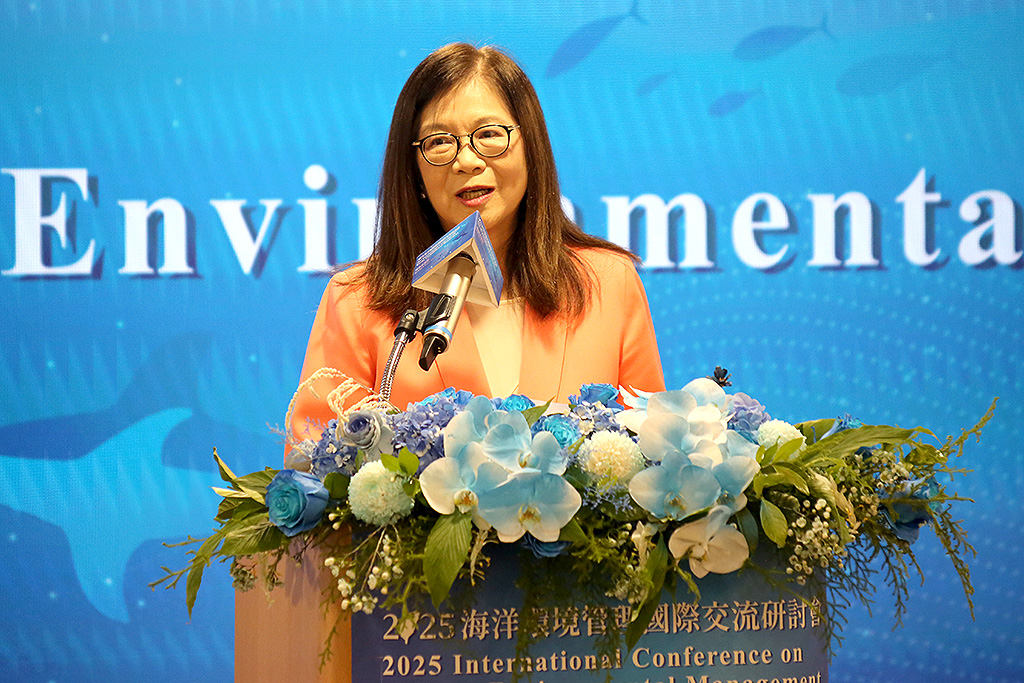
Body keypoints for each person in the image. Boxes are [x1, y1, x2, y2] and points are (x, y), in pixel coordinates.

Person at [290, 43, 664, 443]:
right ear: (414, 172)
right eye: (439, 142)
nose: (466, 161)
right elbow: (318, 462)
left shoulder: (608, 283)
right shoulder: (358, 303)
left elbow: (651, 455)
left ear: (531, 147)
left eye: (488, 135)